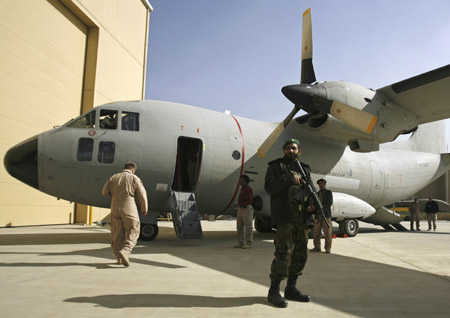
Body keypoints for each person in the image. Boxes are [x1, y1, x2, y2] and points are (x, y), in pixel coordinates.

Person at [264, 138, 315, 308]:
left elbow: (310, 191)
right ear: (284, 151)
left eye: (294, 148)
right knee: (283, 254)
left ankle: (291, 288)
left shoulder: (305, 169)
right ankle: (273, 292)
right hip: (285, 219)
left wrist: (312, 207)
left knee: (300, 255)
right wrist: (287, 178)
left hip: (301, 220)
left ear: (299, 151)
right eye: (287, 148)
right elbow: (270, 188)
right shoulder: (276, 167)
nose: (290, 151)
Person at [102, 162, 148, 266]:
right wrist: (144, 208)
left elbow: (104, 192)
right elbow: (142, 194)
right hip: (128, 205)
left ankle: (118, 257)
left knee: (117, 233)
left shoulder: (113, 177)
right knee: (133, 229)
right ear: (133, 170)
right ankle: (126, 251)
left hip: (115, 206)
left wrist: (114, 196)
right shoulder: (134, 178)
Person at [310, 178, 333, 253]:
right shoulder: (316, 193)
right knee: (316, 233)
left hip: (326, 216)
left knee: (327, 233)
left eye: (322, 183)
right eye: (320, 184)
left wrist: (322, 209)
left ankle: (328, 248)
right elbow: (313, 203)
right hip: (318, 215)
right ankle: (317, 247)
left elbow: (329, 202)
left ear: (325, 184)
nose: (321, 185)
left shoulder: (328, 193)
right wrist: (313, 208)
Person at [234, 174, 254, 249]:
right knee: (239, 226)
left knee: (248, 226)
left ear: (246, 181)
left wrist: (239, 204)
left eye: (242, 180)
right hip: (241, 208)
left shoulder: (248, 189)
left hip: (246, 208)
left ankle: (249, 243)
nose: (240, 182)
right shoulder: (242, 189)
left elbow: (249, 201)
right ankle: (241, 242)